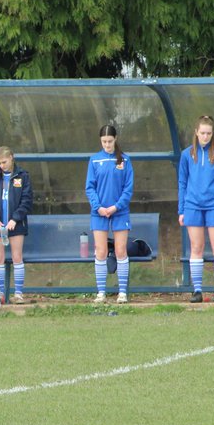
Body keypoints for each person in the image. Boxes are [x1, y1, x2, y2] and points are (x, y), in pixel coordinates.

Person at [177, 116, 214, 303]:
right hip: (192, 205)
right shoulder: (187, 154)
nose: (205, 136)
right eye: (202, 133)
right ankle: (197, 290)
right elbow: (182, 182)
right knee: (196, 247)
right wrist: (181, 209)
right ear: (196, 132)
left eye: (209, 133)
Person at [85, 124, 134, 304]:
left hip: (120, 212)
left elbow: (128, 189)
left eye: (110, 141)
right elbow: (90, 187)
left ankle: (122, 292)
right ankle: (101, 293)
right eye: (104, 142)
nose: (107, 145)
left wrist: (115, 207)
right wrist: (98, 207)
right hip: (99, 213)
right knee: (101, 251)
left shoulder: (125, 161)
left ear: (116, 140)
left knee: (121, 250)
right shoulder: (94, 160)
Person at [0, 146, 33, 304]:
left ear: (12, 157)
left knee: (17, 257)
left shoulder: (23, 176)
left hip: (16, 225)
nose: (1, 166)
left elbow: (26, 201)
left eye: (4, 162)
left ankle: (18, 293)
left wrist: (15, 218)